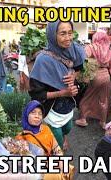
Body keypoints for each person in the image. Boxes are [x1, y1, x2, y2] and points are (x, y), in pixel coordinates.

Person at [29, 20, 85, 150]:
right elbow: (36, 94)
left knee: (68, 128)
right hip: (52, 110)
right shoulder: (43, 60)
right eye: (63, 34)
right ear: (53, 36)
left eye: (70, 33)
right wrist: (63, 93)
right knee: (56, 141)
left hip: (68, 106)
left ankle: (64, 137)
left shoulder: (74, 50)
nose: (68, 38)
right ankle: (58, 163)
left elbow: (79, 68)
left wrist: (73, 76)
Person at [16, 100, 74, 180]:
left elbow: (56, 148)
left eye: (40, 114)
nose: (37, 116)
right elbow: (25, 162)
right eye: (33, 112)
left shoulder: (45, 129)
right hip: (36, 170)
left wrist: (60, 162)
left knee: (68, 169)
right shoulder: (22, 137)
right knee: (56, 176)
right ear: (27, 115)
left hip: (51, 162)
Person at [75, 31, 111, 129]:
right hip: (106, 75)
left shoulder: (91, 47)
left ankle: (83, 119)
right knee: (104, 99)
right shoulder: (107, 49)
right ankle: (103, 121)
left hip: (94, 75)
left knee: (87, 97)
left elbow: (83, 59)